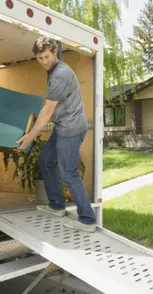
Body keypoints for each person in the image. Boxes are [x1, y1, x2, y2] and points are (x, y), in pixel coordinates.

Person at [17, 36, 96, 233]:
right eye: (39, 58)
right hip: (62, 127)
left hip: (70, 129)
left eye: (46, 56)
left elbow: (47, 111)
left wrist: (30, 137)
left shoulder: (60, 74)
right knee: (45, 161)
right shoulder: (52, 71)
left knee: (69, 174)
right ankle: (57, 206)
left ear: (54, 52)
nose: (44, 62)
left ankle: (87, 220)